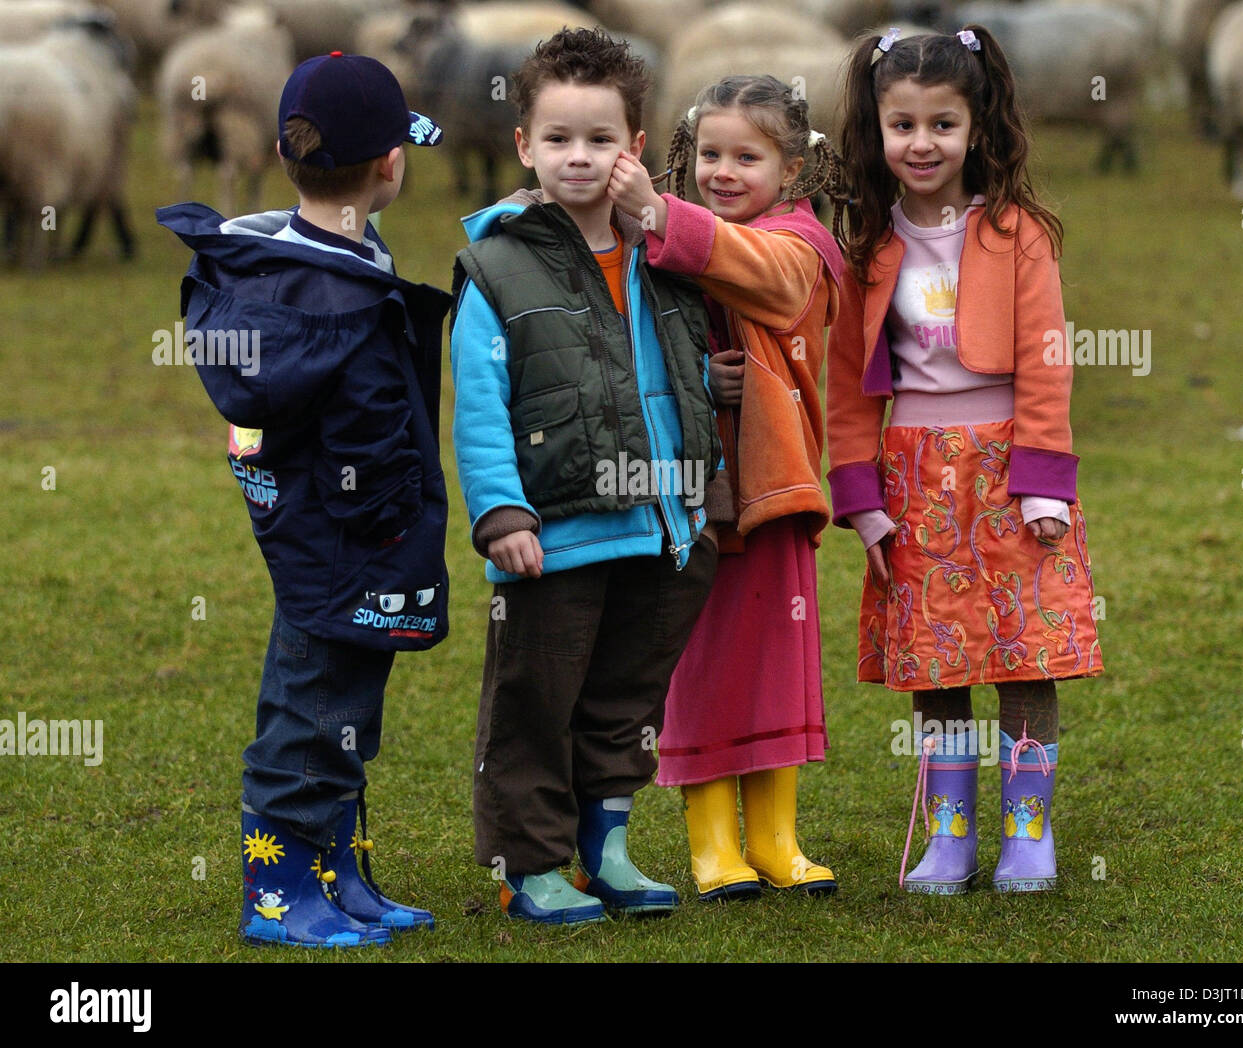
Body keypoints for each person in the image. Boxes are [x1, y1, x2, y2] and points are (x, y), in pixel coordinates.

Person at [157, 52, 451, 945]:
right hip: (350, 541)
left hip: (318, 532)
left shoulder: (298, 267)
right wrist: (392, 525)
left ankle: (336, 873)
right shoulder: (341, 296)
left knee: (344, 713)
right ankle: (277, 894)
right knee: (311, 718)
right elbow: (370, 433)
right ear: (390, 165)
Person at [450, 27, 724, 925]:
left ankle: (606, 847)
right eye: (558, 139)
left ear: (636, 150)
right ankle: (529, 863)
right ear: (523, 144)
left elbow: (678, 369)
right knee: (536, 703)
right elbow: (481, 404)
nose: (580, 157)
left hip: (663, 526)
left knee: (622, 703)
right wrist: (500, 514)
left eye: (601, 139)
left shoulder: (667, 253)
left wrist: (707, 473)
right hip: (553, 533)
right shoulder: (496, 265)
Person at [827, 27, 1103, 894]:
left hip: (1009, 474)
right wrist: (861, 498)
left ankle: (1030, 839)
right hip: (914, 476)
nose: (920, 143)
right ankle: (948, 841)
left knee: (1027, 655)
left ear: (978, 128)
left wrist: (1043, 483)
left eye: (941, 124)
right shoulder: (865, 244)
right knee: (938, 660)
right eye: (901, 124)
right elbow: (844, 385)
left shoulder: (1019, 234)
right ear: (876, 131)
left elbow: (1047, 361)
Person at [606, 74, 848, 900]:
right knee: (701, 664)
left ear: (793, 168)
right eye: (710, 153)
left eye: (749, 155)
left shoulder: (802, 244)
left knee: (777, 664)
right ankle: (714, 849)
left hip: (774, 489)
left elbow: (769, 281)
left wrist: (660, 214)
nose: (723, 170)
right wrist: (700, 379)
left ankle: (777, 841)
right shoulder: (667, 243)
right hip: (691, 494)